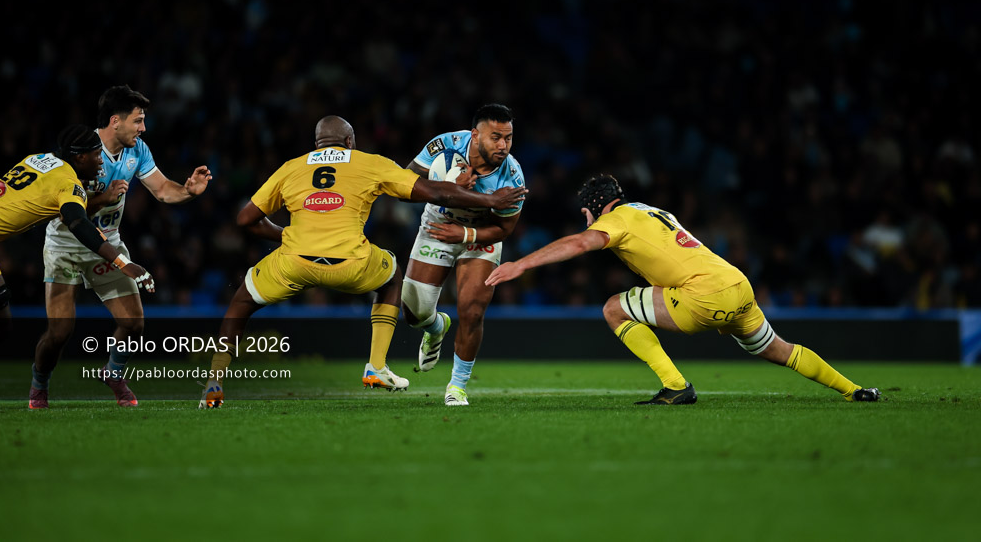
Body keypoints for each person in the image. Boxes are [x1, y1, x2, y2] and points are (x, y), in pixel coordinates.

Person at [199, 115, 526, 408]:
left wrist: (285, 235)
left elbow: (245, 220)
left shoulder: (292, 167)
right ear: (350, 143)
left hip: (293, 261)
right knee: (392, 277)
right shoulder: (368, 162)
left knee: (241, 302)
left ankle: (213, 384)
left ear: (316, 145)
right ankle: (376, 366)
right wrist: (488, 199)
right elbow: (432, 192)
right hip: (351, 264)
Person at [485, 173, 881, 404]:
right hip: (737, 285)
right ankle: (854, 391)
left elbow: (578, 243)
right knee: (778, 348)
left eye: (587, 213)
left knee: (612, 308)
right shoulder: (651, 211)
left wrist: (520, 263)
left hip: (703, 296)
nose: (586, 220)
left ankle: (676, 387)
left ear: (596, 206)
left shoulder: (618, 219)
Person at [40, 85, 212, 408]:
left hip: (108, 242)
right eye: (138, 121)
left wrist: (188, 191)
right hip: (66, 243)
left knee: (133, 323)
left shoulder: (138, 150)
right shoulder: (79, 149)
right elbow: (64, 212)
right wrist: (103, 199)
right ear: (115, 121)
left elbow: (162, 190)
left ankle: (113, 372)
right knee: (59, 332)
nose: (143, 128)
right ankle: (39, 384)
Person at [0, 125, 156, 409]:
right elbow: (77, 223)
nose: (101, 162)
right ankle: (39, 385)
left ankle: (112, 373)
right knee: (3, 328)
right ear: (79, 158)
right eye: (96, 156)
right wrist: (123, 262)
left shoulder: (37, 158)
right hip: (8, 243)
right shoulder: (69, 184)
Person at [399, 104, 525, 407]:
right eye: (495, 137)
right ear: (475, 134)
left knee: (471, 310)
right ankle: (435, 327)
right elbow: (403, 184)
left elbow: (504, 228)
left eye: (508, 138)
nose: (503, 146)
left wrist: (466, 235)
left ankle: (457, 387)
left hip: (479, 236)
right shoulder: (443, 147)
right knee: (413, 314)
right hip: (439, 227)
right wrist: (447, 189)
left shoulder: (512, 175)